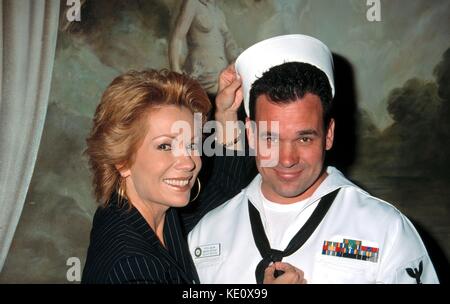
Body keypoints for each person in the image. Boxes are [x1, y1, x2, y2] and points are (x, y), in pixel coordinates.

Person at [188, 34, 440, 284]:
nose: (287, 159)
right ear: (251, 134)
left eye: (304, 138)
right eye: (271, 139)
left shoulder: (386, 230)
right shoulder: (207, 233)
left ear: (328, 134)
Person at [81, 69, 304, 284]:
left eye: (192, 144)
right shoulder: (132, 267)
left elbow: (227, 185)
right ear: (122, 160)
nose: (188, 162)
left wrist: (225, 114)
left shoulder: (153, 213)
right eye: (165, 146)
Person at [169, 0, 241, 95]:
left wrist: (236, 57)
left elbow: (228, 40)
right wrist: (176, 70)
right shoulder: (192, 3)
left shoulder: (219, 12)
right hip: (200, 75)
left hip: (221, 77)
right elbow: (178, 38)